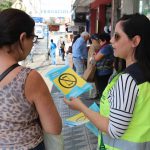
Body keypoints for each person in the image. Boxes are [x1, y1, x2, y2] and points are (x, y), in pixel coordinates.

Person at [64, 13, 150, 150]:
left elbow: (115, 129)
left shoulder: (128, 79)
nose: (111, 41)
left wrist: (81, 107)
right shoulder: (143, 73)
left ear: (135, 41)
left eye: (117, 36)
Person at [0, 8, 62, 149]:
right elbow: (54, 127)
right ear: (22, 38)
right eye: (33, 38)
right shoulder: (28, 78)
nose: (32, 43)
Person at [94, 33, 114, 99]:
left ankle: (102, 103)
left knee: (103, 89)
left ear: (104, 41)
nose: (99, 43)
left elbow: (96, 58)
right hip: (105, 71)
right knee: (103, 88)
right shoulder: (108, 47)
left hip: (104, 72)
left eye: (100, 41)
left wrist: (94, 55)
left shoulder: (106, 47)